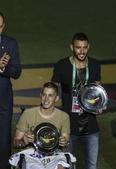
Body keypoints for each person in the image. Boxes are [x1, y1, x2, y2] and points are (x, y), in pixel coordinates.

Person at [51, 32, 102, 169]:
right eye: (78, 47)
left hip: (90, 124)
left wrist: (99, 106)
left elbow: (97, 92)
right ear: (71, 47)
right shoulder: (61, 65)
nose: (81, 51)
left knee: (91, 165)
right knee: (66, 164)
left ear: (88, 47)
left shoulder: (95, 65)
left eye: (84, 47)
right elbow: (52, 92)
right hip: (68, 125)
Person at [11, 82, 72, 169]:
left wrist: (64, 143)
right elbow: (15, 143)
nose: (46, 99)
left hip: (54, 154)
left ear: (56, 98)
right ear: (40, 95)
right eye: (44, 95)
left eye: (50, 95)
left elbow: (66, 145)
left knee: (61, 166)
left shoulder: (64, 117)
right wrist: (24, 141)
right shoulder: (28, 114)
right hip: (31, 154)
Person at [0, 11, 22, 168]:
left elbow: (16, 72)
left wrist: (3, 67)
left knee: (3, 141)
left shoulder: (10, 43)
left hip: (3, 102)